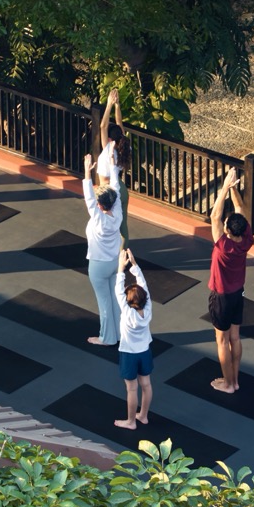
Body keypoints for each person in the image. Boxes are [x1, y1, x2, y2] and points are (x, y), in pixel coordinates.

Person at [208, 168, 252, 392]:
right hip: (237, 294)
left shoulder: (223, 245)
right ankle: (234, 380)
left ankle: (228, 383)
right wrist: (234, 188)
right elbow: (241, 211)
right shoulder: (245, 240)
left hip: (221, 297)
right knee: (235, 337)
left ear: (227, 229)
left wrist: (225, 186)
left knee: (222, 341)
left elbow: (215, 216)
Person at [83, 152, 123, 346]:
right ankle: (119, 335)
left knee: (105, 302)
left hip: (99, 266)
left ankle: (107, 338)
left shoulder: (98, 217)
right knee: (115, 299)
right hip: (115, 262)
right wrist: (114, 168)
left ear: (99, 205)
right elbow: (115, 188)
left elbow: (89, 199)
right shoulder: (117, 212)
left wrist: (87, 173)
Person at [112, 247, 153, 430]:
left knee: (131, 389)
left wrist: (121, 268)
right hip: (144, 351)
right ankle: (143, 416)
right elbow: (143, 284)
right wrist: (134, 266)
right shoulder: (149, 307)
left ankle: (131, 421)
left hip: (129, 353)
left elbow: (118, 290)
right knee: (146, 384)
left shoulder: (127, 311)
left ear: (129, 302)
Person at [98, 88, 133, 243]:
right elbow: (119, 125)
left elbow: (102, 126)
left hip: (108, 192)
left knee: (106, 227)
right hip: (121, 189)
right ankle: (124, 254)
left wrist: (109, 105)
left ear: (110, 140)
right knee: (122, 226)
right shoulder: (125, 147)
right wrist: (117, 106)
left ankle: (109, 254)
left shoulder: (109, 150)